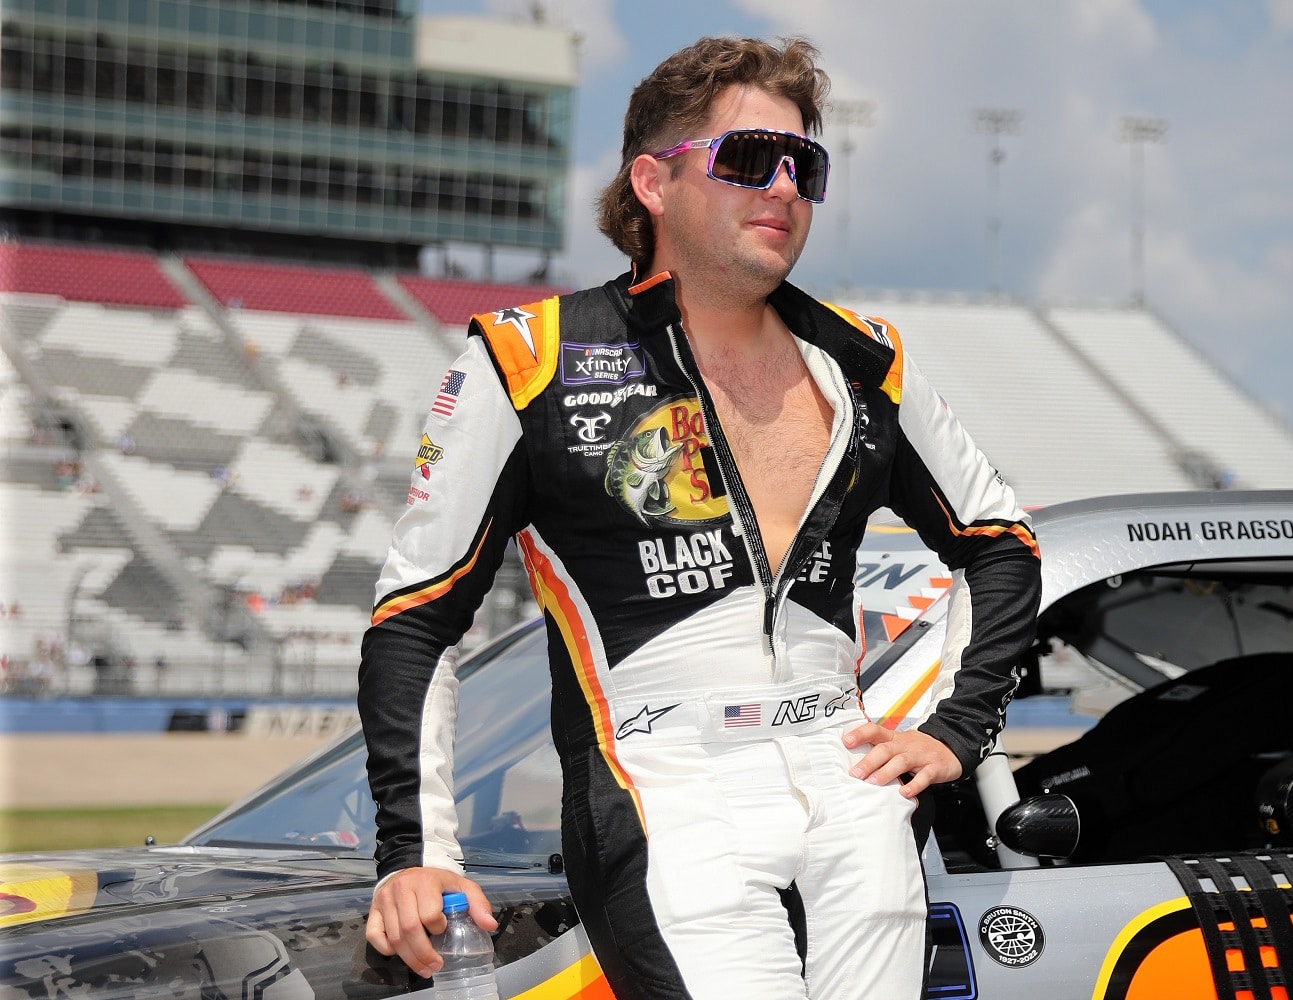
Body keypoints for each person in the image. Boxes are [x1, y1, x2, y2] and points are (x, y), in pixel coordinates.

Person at [358, 35, 1041, 1000]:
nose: (785, 189)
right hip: (665, 790)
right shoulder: (529, 360)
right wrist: (416, 847)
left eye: (806, 165)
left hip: (853, 796)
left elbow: (1002, 545)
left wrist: (957, 730)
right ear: (653, 180)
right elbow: (416, 615)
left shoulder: (868, 362)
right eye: (750, 159)